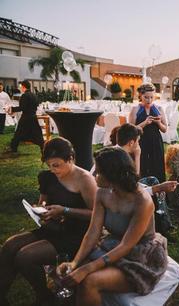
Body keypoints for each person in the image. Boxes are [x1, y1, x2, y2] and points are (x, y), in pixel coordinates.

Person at [57, 147, 168, 306]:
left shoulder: (142, 201)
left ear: (112, 174)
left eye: (99, 172)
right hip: (113, 245)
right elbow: (93, 232)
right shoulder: (102, 193)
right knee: (71, 274)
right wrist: (75, 263)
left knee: (90, 281)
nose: (94, 175)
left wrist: (88, 268)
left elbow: (126, 245)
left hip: (140, 255)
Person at [0, 137, 97, 306]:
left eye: (57, 165)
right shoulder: (48, 177)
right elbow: (43, 202)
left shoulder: (84, 179)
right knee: (10, 245)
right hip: (52, 226)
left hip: (76, 234)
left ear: (71, 159)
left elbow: (96, 214)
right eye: (49, 165)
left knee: (25, 256)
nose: (53, 169)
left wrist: (65, 210)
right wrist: (40, 210)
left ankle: (44, 296)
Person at [128, 83, 167, 182]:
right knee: (142, 166)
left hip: (156, 141)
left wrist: (158, 123)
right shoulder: (135, 109)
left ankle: (159, 191)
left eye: (151, 97)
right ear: (140, 96)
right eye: (146, 97)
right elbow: (130, 130)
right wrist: (144, 123)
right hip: (141, 142)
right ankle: (143, 191)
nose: (149, 100)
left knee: (157, 166)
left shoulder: (159, 109)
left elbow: (165, 129)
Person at [6, 80, 44, 153]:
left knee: (18, 133)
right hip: (33, 117)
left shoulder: (24, 95)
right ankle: (43, 147)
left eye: (21, 87)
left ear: (23, 87)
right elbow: (36, 106)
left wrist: (11, 109)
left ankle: (13, 148)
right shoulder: (34, 95)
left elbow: (22, 107)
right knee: (37, 134)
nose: (20, 88)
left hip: (26, 117)